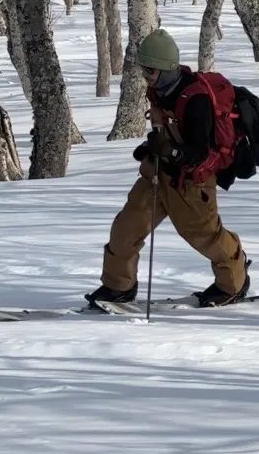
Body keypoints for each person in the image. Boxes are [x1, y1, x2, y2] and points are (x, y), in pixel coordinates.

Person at [86, 28, 250, 308]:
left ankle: (234, 281)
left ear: (165, 69)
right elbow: (168, 132)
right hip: (157, 174)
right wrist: (153, 146)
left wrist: (170, 150)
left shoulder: (196, 99)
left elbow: (198, 153)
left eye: (149, 71)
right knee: (126, 228)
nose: (145, 77)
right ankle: (118, 287)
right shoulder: (160, 91)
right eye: (143, 71)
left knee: (205, 237)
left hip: (190, 183)